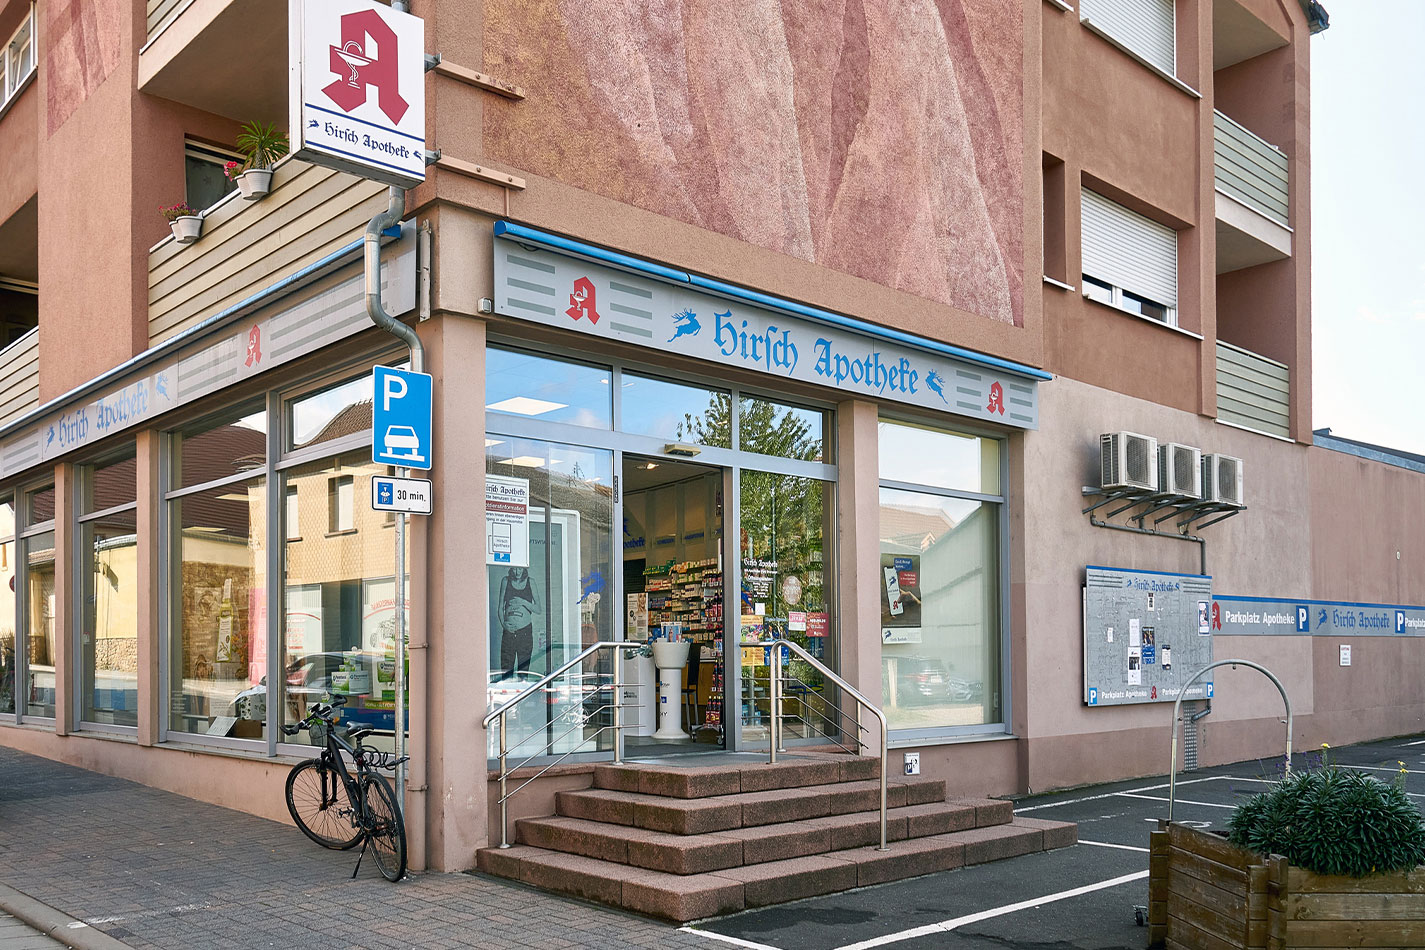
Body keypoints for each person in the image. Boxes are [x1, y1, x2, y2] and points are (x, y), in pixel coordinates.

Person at [497, 566, 540, 679]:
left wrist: (523, 602)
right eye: (515, 569)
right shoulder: (506, 581)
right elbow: (500, 607)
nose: (517, 572)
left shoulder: (530, 582)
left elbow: (538, 609)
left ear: (524, 569)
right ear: (511, 569)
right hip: (509, 631)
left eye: (520, 569)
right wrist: (504, 624)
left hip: (524, 631)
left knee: (523, 671)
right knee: (506, 671)